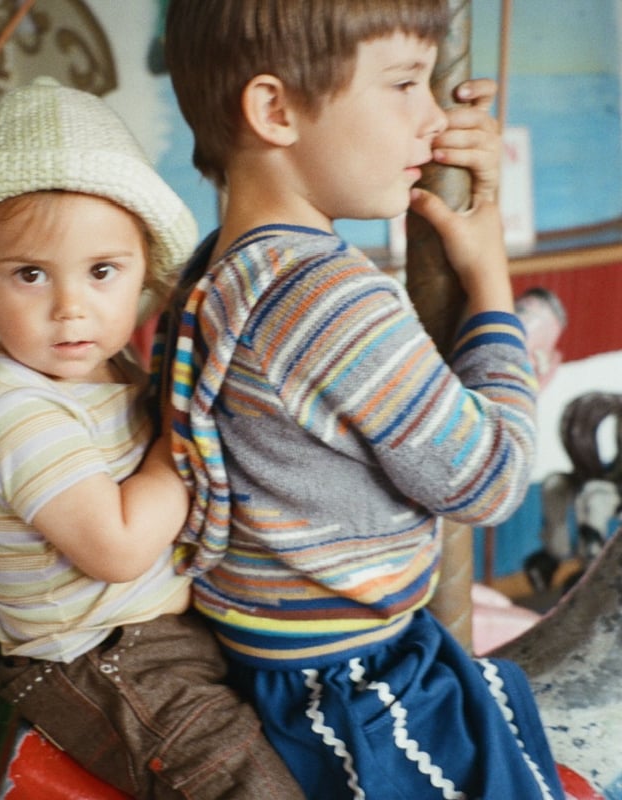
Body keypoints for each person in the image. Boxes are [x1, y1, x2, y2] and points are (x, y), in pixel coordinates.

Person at [161, 2, 566, 798]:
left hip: (275, 653)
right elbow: (491, 478)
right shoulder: (330, 299)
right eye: (405, 84)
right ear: (275, 110)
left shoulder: (214, 269)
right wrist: (489, 278)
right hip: (353, 685)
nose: (432, 118)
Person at [0, 77, 305, 800]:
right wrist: (182, 443)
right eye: (30, 274)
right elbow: (117, 547)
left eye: (101, 272)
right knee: (243, 783)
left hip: (155, 636)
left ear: (142, 275)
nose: (70, 308)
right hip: (94, 659)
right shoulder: (19, 411)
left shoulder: (110, 370)